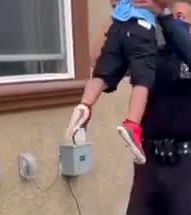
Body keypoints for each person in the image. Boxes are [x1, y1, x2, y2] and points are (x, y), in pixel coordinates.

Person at [80, 0, 191, 215]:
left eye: (180, 16)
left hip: (186, 170)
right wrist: (119, 16)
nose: (170, 20)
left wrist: (163, 14)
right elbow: (97, 60)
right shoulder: (150, 56)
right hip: (148, 168)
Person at [66, 0, 172, 165]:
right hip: (141, 27)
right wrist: (161, 7)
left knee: (101, 75)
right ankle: (132, 125)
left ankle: (84, 107)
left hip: (116, 28)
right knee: (143, 79)